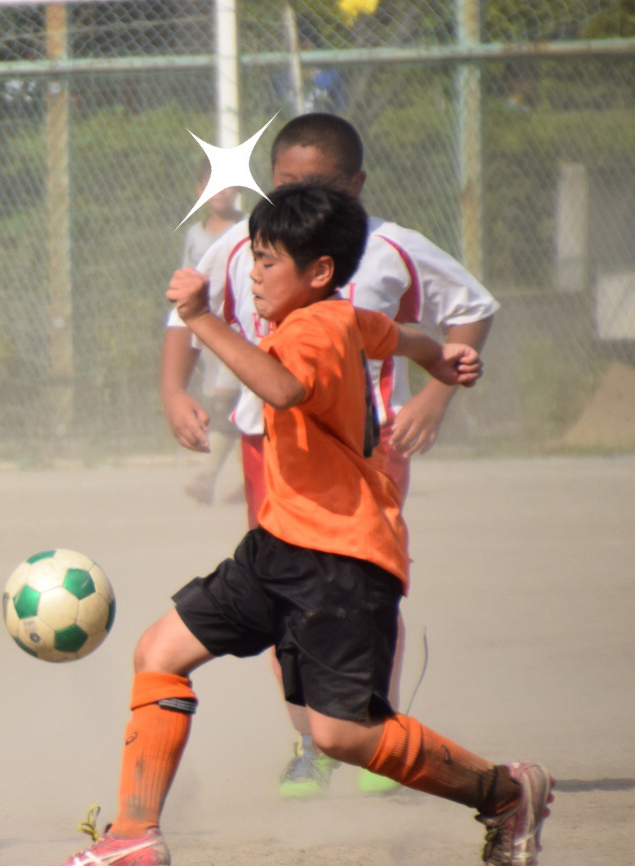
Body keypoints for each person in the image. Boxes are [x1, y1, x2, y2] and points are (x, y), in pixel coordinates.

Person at [36, 183, 552, 866]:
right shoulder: (341, 316)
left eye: (268, 262)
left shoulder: (313, 330)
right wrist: (437, 356)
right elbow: (390, 331)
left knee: (343, 736)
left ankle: (504, 793)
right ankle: (133, 837)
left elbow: (280, 389)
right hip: (279, 547)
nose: (253, 275)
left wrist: (202, 318)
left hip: (342, 561)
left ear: (319, 271)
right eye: (253, 258)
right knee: (160, 653)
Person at [162, 113, 499, 798]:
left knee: (355, 586)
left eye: (318, 185)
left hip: (367, 449)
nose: (298, 198)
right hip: (271, 446)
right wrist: (174, 391)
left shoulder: (387, 249)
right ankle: (311, 740)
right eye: (285, 182)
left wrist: (434, 395)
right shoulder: (249, 245)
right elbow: (185, 320)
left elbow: (459, 310)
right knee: (284, 596)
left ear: (355, 185)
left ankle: (374, 727)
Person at [171, 165, 244, 506]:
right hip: (207, 328)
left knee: (228, 400)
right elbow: (189, 277)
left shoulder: (251, 227)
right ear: (199, 190)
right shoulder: (195, 235)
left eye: (227, 185)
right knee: (231, 402)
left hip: (240, 329)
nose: (221, 192)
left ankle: (207, 476)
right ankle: (251, 479)